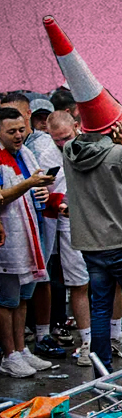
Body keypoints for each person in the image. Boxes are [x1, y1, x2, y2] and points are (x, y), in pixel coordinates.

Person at [62, 117, 122, 384]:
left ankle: (102, 373)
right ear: (110, 126)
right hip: (121, 241)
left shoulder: (69, 150)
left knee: (99, 307)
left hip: (89, 243)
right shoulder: (117, 152)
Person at [0, 107, 54, 377]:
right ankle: (9, 354)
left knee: (23, 297)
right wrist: (30, 183)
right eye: (11, 132)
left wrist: (42, 190)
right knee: (6, 300)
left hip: (31, 231)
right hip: (8, 239)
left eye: (22, 130)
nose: (19, 136)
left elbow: (34, 184)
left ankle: (22, 350)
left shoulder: (26, 153)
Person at [45, 110, 93, 366]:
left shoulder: (91, 146)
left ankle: (111, 335)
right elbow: (43, 193)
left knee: (108, 281)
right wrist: (60, 202)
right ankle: (87, 341)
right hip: (67, 225)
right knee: (78, 283)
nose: (62, 144)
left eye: (65, 137)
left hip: (96, 223)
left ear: (76, 126)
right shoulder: (46, 155)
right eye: (57, 140)